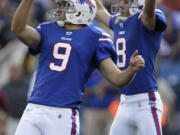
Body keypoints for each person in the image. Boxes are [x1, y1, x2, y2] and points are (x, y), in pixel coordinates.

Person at [11, 0, 145, 135]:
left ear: (80, 11)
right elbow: (18, 29)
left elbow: (117, 79)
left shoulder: (95, 37)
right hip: (34, 108)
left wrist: (131, 70)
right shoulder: (47, 29)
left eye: (64, 5)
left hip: (62, 113)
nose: (59, 8)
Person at [95, 0, 167, 135]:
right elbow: (98, 10)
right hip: (124, 102)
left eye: (126, 0)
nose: (121, 3)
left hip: (146, 101)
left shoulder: (144, 18)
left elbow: (148, 14)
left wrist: (147, 5)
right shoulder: (118, 22)